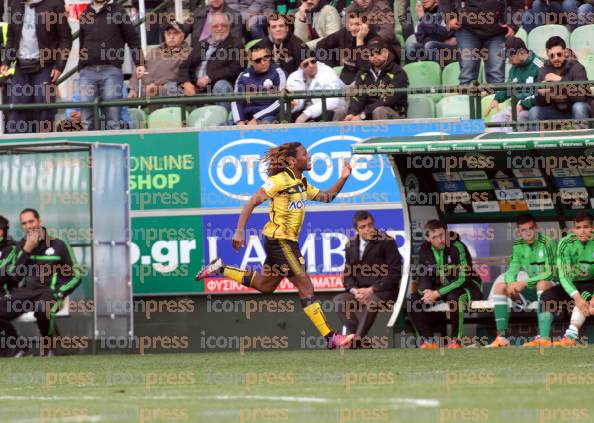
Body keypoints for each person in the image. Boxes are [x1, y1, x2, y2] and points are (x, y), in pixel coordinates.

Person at [196, 142, 356, 349]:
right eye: (305, 154)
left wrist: (343, 178)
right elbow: (253, 201)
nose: (309, 157)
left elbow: (327, 197)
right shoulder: (279, 180)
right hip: (280, 241)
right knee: (305, 286)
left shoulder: (302, 184)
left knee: (266, 286)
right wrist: (239, 230)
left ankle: (220, 268)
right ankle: (331, 337)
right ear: (291, 160)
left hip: (283, 242)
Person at [0, 209, 81, 357]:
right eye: (24, 223)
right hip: (27, 294)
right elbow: (14, 278)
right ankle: (18, 348)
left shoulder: (58, 244)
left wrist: (59, 292)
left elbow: (76, 275)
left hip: (49, 292)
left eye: (31, 221)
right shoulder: (20, 246)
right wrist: (26, 251)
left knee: (43, 308)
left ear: (39, 221)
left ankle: (50, 346)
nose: (28, 226)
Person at [406, 220, 483, 349]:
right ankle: (428, 341)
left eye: (442, 235)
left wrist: (437, 293)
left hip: (467, 286)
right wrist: (426, 292)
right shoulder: (424, 250)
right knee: (412, 300)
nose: (440, 240)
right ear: (428, 238)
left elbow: (463, 277)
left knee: (454, 297)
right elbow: (423, 275)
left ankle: (455, 341)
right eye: (434, 237)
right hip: (440, 289)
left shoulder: (457, 246)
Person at [485, 214, 557, 348]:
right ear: (519, 232)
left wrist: (524, 283)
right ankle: (501, 338)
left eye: (530, 228)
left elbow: (550, 273)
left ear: (536, 228)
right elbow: (512, 269)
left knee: (541, 283)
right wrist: (512, 283)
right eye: (524, 230)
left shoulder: (548, 242)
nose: (528, 233)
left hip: (552, 286)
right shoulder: (517, 245)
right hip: (531, 289)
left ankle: (544, 337)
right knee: (500, 287)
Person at [1, 0, 72, 133]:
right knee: (16, 110)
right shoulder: (15, 4)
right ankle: (19, 149)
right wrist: (6, 61)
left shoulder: (54, 4)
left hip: (45, 66)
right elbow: (11, 35)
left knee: (44, 107)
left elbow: (65, 38)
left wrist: (59, 65)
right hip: (21, 66)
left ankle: (45, 147)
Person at [333, 211, 401, 345]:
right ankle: (361, 340)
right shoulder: (350, 245)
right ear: (356, 230)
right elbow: (348, 275)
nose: (368, 229)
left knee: (372, 301)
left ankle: (357, 341)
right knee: (339, 301)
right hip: (359, 292)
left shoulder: (387, 242)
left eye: (370, 225)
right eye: (363, 227)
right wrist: (354, 291)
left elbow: (395, 273)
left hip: (384, 292)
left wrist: (371, 290)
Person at [78, 0, 144, 130]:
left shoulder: (118, 11)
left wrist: (140, 63)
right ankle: (89, 148)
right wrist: (81, 66)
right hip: (87, 70)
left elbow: (133, 39)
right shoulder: (85, 13)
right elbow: (82, 42)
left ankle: (115, 149)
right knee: (86, 119)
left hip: (111, 70)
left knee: (113, 118)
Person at [539, 212, 594, 347]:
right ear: (574, 229)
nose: (582, 231)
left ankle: (570, 335)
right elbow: (564, 275)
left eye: (586, 227)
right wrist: (576, 297)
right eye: (578, 227)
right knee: (547, 297)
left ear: (592, 228)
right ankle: (544, 338)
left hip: (592, 283)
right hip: (572, 284)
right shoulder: (565, 243)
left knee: (585, 294)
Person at [440, 0, 523, 84]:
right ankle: (467, 95)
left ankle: (496, 96)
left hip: (498, 30)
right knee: (468, 72)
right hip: (466, 27)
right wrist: (450, 16)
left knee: (496, 75)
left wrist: (513, 23)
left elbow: (517, 3)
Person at [179, 13, 243, 112]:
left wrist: (209, 77)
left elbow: (235, 69)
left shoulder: (236, 43)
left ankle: (224, 125)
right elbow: (184, 66)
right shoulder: (202, 44)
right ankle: (177, 125)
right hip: (195, 88)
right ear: (209, 28)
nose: (219, 28)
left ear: (229, 27)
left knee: (221, 85)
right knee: (169, 88)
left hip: (216, 87)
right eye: (215, 26)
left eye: (223, 25)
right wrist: (186, 82)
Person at [527, 36, 592, 131]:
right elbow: (539, 103)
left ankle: (582, 142)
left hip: (577, 109)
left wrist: (560, 81)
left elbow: (582, 97)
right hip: (556, 111)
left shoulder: (577, 67)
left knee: (578, 107)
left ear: (565, 52)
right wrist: (542, 94)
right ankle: (537, 144)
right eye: (552, 56)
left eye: (559, 54)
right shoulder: (543, 70)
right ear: (547, 55)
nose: (556, 58)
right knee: (534, 111)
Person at [342, 37, 408, 121]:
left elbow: (387, 101)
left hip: (394, 115)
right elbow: (358, 97)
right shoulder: (363, 73)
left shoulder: (398, 73)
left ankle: (381, 134)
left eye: (378, 52)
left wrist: (363, 115)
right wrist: (351, 113)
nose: (375, 56)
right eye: (371, 54)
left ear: (385, 53)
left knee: (379, 111)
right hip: (367, 113)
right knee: (341, 113)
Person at [485, 37, 543, 131]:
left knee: (514, 123)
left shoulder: (539, 65)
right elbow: (509, 86)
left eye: (510, 57)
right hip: (515, 108)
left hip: (532, 108)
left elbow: (540, 94)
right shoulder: (515, 67)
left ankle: (511, 146)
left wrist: (522, 105)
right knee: (495, 120)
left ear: (521, 53)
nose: (509, 61)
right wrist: (497, 99)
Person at [129, 22, 191, 103]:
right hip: (144, 89)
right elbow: (139, 70)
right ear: (164, 35)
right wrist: (132, 88)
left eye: (175, 33)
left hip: (167, 89)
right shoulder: (154, 51)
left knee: (167, 89)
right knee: (120, 90)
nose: (171, 37)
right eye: (168, 33)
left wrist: (157, 85)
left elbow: (176, 74)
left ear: (183, 36)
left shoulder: (188, 53)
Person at [316, 11, 383, 86]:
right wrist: (329, 69)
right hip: (346, 74)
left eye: (357, 24)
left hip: (367, 79)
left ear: (366, 25)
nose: (353, 28)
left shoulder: (375, 40)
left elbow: (365, 67)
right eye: (351, 24)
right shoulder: (344, 33)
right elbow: (321, 45)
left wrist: (360, 40)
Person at [231, 43, 286, 125]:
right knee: (223, 125)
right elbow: (236, 100)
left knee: (266, 122)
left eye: (266, 58)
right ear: (251, 62)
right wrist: (240, 121)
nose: (263, 63)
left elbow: (281, 100)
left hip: (269, 116)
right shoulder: (243, 76)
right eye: (258, 61)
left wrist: (256, 118)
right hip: (247, 118)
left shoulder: (278, 72)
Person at [286, 53, 346, 122]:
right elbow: (293, 102)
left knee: (327, 115)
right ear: (301, 67)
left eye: (313, 62)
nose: (311, 66)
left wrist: (306, 114)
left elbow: (333, 101)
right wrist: (292, 106)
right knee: (283, 116)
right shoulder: (293, 77)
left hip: (326, 109)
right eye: (306, 64)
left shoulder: (327, 72)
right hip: (304, 110)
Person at [405, 0, 456, 65]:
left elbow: (444, 33)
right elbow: (420, 38)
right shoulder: (424, 14)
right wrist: (423, 18)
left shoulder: (445, 9)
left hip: (448, 50)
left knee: (430, 45)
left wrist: (423, 18)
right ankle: (412, 74)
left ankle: (438, 72)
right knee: (410, 46)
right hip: (429, 46)